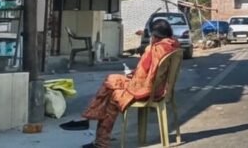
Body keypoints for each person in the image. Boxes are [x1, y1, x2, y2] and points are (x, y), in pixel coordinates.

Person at [71, 19, 180, 147]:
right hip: (161, 89)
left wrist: (130, 77)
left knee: (111, 90)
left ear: (155, 35)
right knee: (111, 81)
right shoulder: (173, 46)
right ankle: (94, 129)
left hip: (146, 89)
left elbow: (142, 76)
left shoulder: (154, 48)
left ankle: (97, 134)